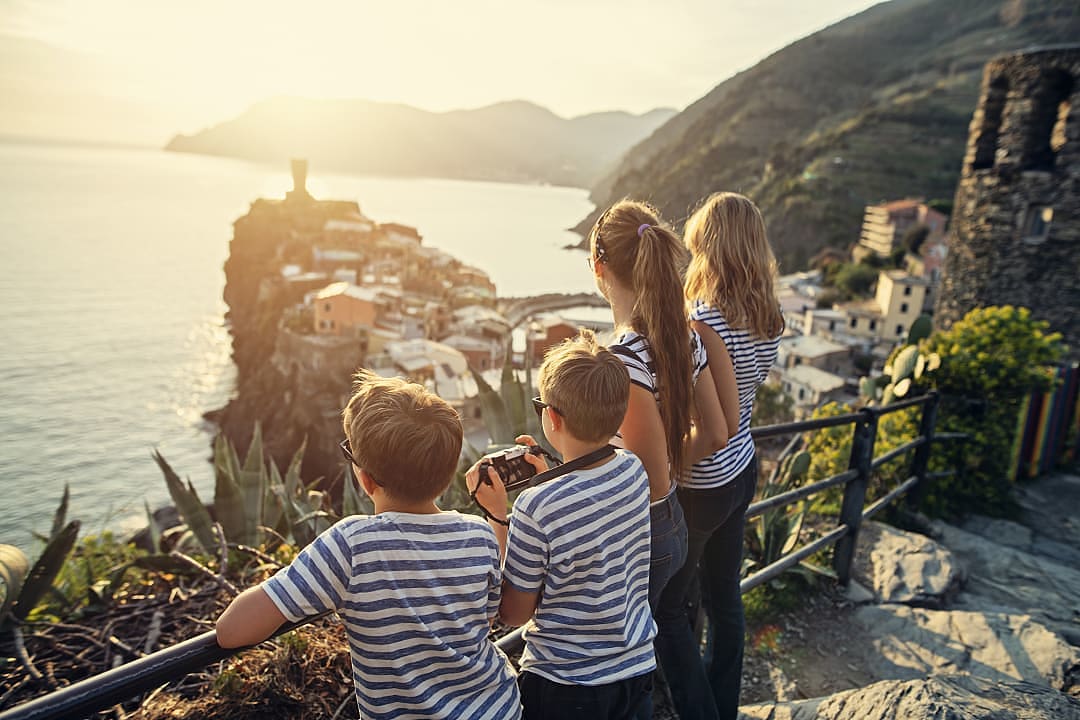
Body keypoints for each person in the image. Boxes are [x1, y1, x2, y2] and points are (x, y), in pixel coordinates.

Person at [215, 371, 522, 720]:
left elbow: (230, 631)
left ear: (364, 478)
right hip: (499, 709)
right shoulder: (478, 534)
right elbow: (498, 608)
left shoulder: (351, 546)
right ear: (450, 469)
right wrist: (498, 515)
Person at [467, 331, 655, 720]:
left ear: (551, 417)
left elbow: (514, 613)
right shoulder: (634, 469)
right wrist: (553, 474)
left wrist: (498, 515)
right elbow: (590, 511)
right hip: (635, 667)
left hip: (568, 685)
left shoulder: (537, 506)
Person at [654, 191, 784, 720]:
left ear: (709, 246)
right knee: (725, 598)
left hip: (703, 481)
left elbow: (712, 431)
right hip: (743, 470)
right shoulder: (766, 313)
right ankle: (722, 705)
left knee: (665, 609)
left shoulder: (703, 322)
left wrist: (662, 470)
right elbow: (740, 410)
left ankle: (699, 712)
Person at [586, 199, 728, 613]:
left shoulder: (621, 361)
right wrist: (670, 464)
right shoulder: (687, 339)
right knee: (663, 631)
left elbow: (645, 475)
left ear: (599, 266)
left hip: (631, 534)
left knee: (629, 647)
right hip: (671, 521)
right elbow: (717, 433)